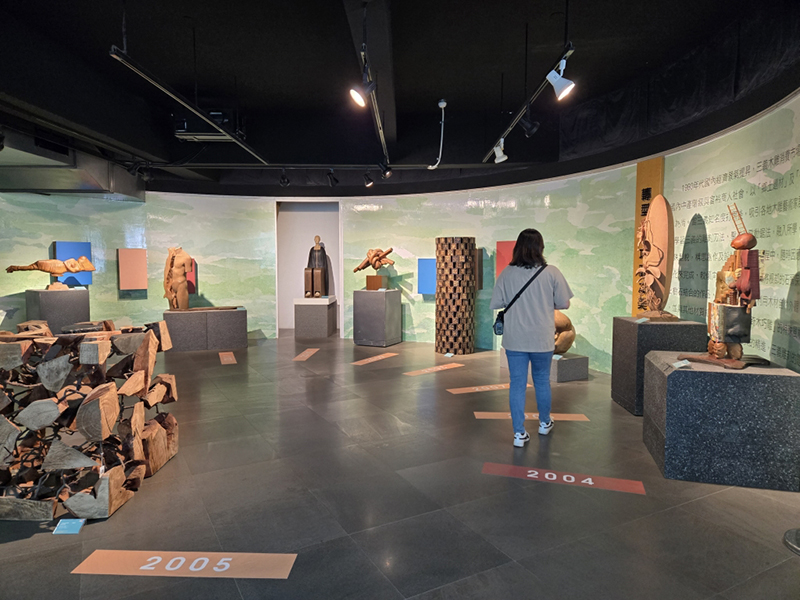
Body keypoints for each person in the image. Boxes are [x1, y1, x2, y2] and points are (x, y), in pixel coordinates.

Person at [490, 229, 573, 447]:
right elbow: (564, 303)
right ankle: (545, 423)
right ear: (540, 247)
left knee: (517, 384)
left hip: (515, 338)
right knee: (542, 380)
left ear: (517, 247)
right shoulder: (552, 272)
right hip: (542, 338)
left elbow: (497, 302)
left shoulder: (506, 273)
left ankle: (519, 433)